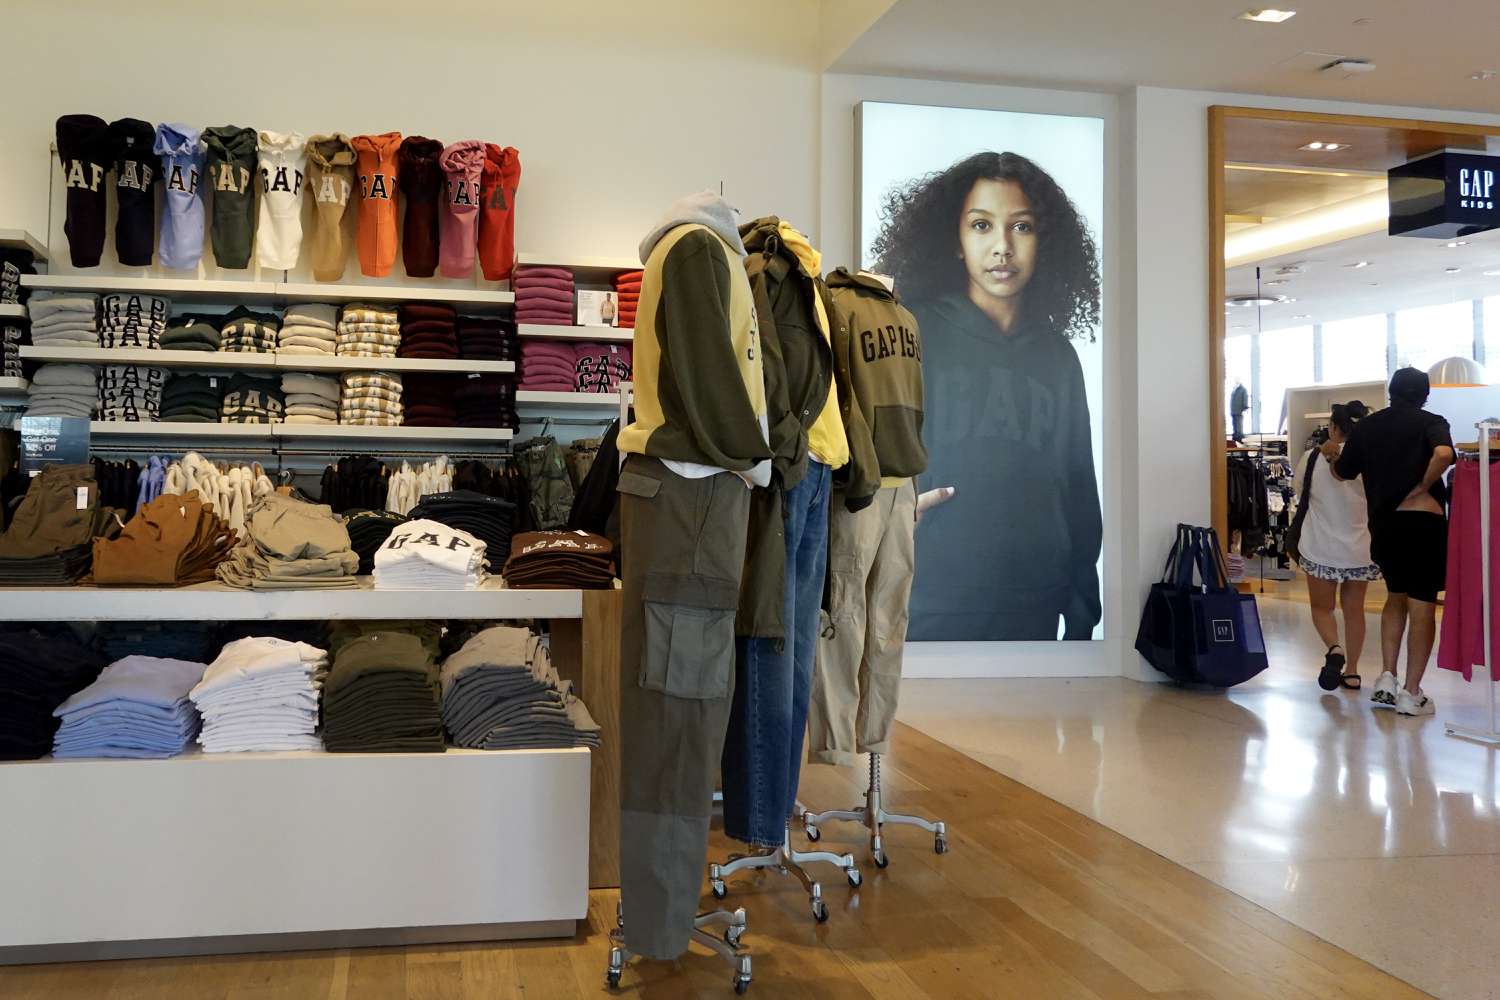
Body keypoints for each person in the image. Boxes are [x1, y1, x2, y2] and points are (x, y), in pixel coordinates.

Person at [873, 151, 1102, 641]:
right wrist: (890, 515)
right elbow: (865, 451)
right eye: (981, 225)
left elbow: (1079, 483)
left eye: (1021, 227)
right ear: (954, 240)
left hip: (1036, 602)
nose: (1002, 247)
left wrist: (1083, 608)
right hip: (930, 596)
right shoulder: (912, 333)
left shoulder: (1057, 355)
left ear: (1046, 241)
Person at [1328, 368, 1454, 717]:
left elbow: (1343, 472)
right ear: (1424, 394)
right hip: (1422, 521)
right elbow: (1443, 454)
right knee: (1422, 604)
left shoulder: (1368, 426)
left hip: (1384, 525)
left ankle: (1386, 677)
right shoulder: (1430, 420)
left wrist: (1330, 453)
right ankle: (1412, 693)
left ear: (1392, 392)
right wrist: (1422, 484)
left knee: (1395, 597)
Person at [1294, 401, 1378, 691]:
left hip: (1320, 545)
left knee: (1322, 608)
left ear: (1332, 427)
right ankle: (1353, 672)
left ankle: (1334, 649)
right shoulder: (1370, 458)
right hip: (1359, 547)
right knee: (1354, 610)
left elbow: (1298, 491)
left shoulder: (1311, 458)